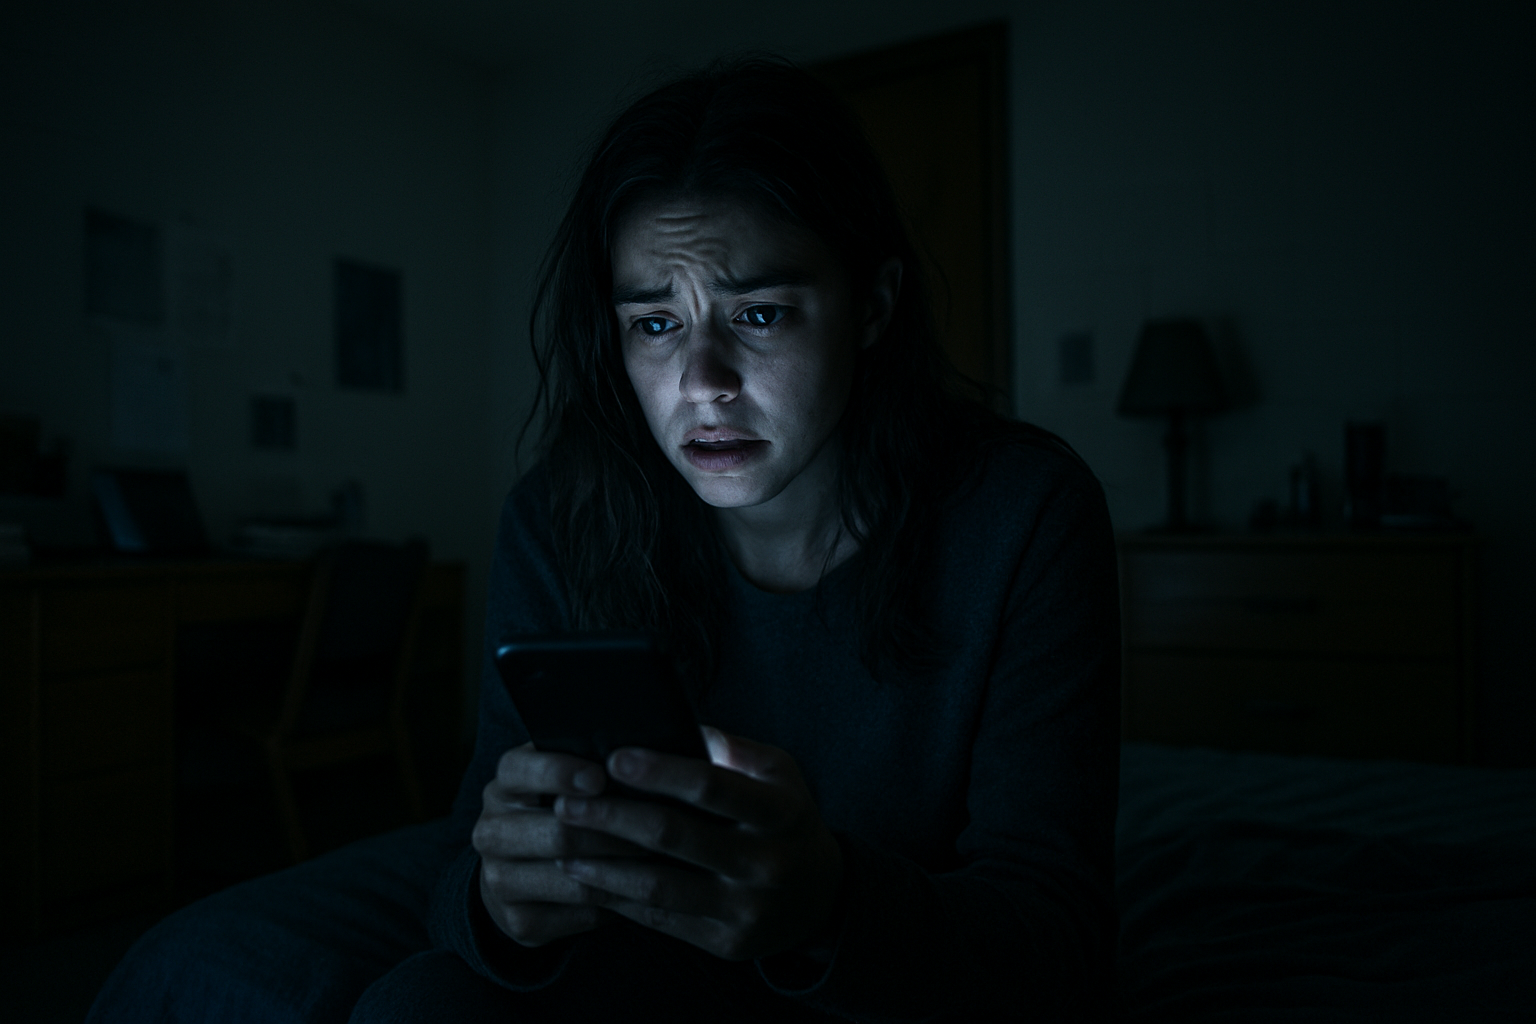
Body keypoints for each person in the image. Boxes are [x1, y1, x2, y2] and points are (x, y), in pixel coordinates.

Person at [88, 55, 1118, 1023]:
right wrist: (505, 906)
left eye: (760, 315)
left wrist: (831, 905)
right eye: (655, 324)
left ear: (873, 304)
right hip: (622, 959)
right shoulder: (562, 513)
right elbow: (465, 864)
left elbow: (1051, 934)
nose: (703, 382)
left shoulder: (1024, 513)